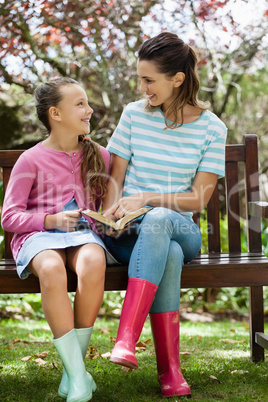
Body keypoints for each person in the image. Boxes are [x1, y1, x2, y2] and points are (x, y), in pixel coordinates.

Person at [102, 32, 227, 398]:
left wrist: (147, 198)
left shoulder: (211, 127)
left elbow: (197, 199)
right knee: (166, 252)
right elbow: (115, 179)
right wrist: (111, 211)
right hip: (132, 236)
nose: (143, 88)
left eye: (149, 80)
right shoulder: (133, 115)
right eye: (140, 79)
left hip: (180, 228)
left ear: (177, 79)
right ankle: (170, 371)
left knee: (159, 221)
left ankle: (126, 338)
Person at [1, 77, 116, 402]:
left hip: (82, 236)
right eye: (79, 103)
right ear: (56, 113)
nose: (88, 109)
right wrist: (50, 220)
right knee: (51, 268)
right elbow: (9, 218)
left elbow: (112, 202)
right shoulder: (31, 159)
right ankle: (80, 377)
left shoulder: (100, 156)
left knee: (94, 260)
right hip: (38, 237)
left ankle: (73, 373)